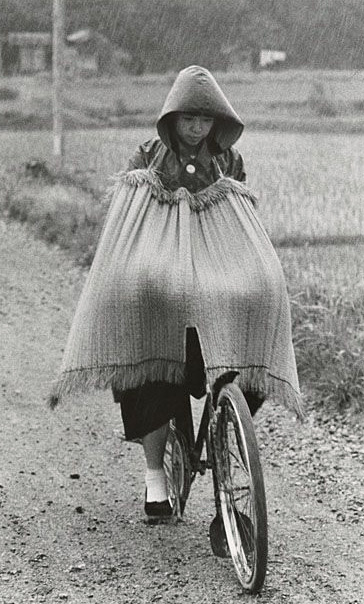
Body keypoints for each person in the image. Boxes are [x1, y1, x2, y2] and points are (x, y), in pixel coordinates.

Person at [50, 65, 301, 524]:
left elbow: (240, 228)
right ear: (172, 117)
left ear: (216, 123)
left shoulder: (229, 162)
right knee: (148, 346)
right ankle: (155, 481)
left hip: (213, 276)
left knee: (260, 301)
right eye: (187, 118)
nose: (195, 127)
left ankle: (227, 435)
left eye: (205, 120)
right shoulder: (147, 158)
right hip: (162, 281)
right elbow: (129, 225)